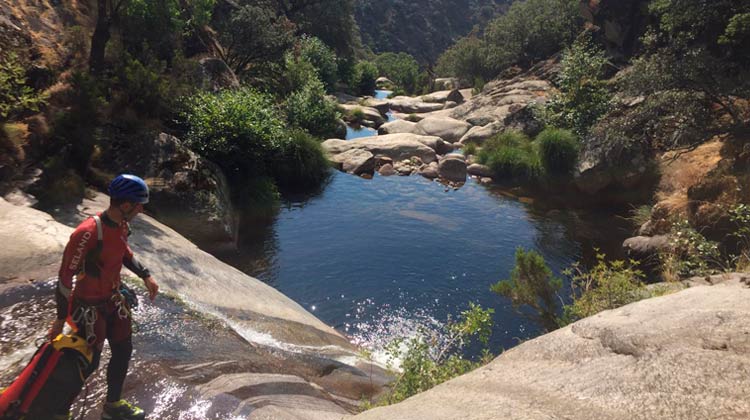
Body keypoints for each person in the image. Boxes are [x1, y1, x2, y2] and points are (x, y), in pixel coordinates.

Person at [48, 174, 159, 420]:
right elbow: (65, 277)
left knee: (123, 350)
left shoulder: (122, 225)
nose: (142, 209)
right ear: (126, 204)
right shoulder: (87, 232)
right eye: (139, 204)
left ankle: (113, 405)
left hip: (113, 301)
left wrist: (146, 275)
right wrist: (59, 319)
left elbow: (123, 251)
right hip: (87, 307)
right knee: (88, 362)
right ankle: (57, 412)